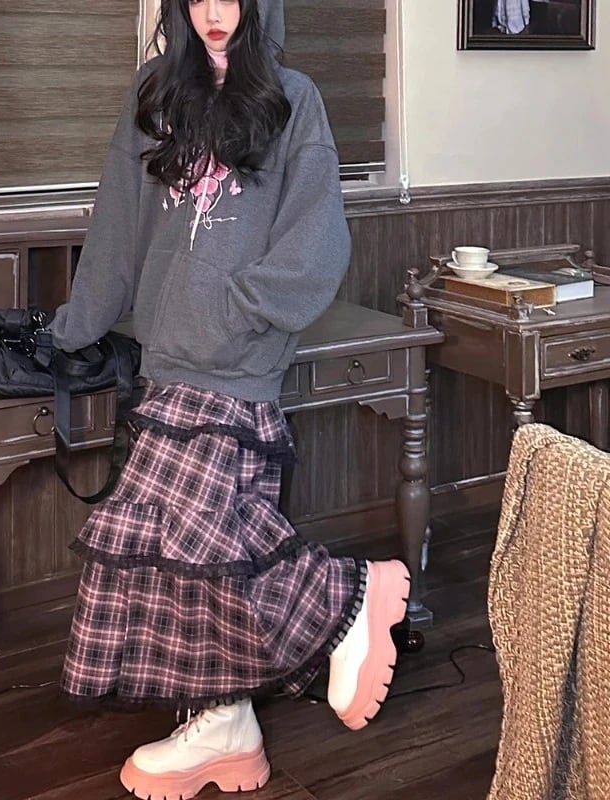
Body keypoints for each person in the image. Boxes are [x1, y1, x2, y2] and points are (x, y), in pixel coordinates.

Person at [48, 1, 410, 797]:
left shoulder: (291, 97)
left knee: (194, 541)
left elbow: (319, 237)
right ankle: (227, 722)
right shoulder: (154, 92)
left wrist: (240, 309)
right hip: (166, 355)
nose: (215, 13)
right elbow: (118, 226)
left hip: (238, 358)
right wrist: (74, 328)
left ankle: (345, 599)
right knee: (194, 554)